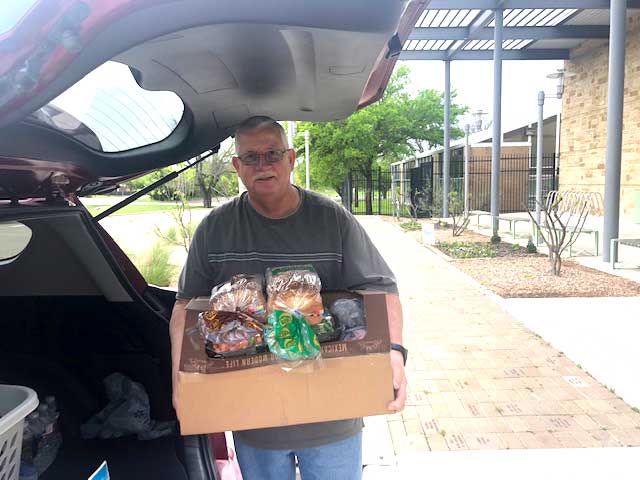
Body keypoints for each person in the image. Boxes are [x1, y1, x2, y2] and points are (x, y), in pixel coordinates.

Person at [170, 115, 407, 480]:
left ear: (291, 159)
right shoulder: (215, 229)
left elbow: (380, 288)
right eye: (251, 157)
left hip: (332, 412)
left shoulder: (332, 220)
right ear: (236, 165)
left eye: (273, 154)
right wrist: (180, 377)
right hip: (253, 416)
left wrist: (395, 353)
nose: (263, 165)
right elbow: (186, 306)